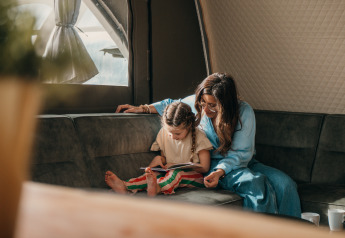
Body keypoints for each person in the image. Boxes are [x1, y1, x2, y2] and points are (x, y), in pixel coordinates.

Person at [116, 73, 302, 217]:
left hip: (240, 162)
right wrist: (143, 108)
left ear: (227, 104)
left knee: (286, 185)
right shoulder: (198, 106)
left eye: (213, 105)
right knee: (254, 183)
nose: (205, 109)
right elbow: (171, 103)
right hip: (210, 166)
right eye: (203, 103)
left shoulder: (244, 112)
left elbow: (241, 154)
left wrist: (222, 171)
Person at [105, 101, 213, 197]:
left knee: (176, 174)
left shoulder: (199, 136)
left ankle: (158, 188)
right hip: (170, 172)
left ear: (189, 126)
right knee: (154, 174)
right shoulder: (163, 133)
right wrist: (160, 160)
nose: (173, 136)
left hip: (195, 177)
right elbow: (165, 157)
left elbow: (205, 167)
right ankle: (125, 186)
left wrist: (176, 165)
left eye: (177, 133)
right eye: (169, 132)